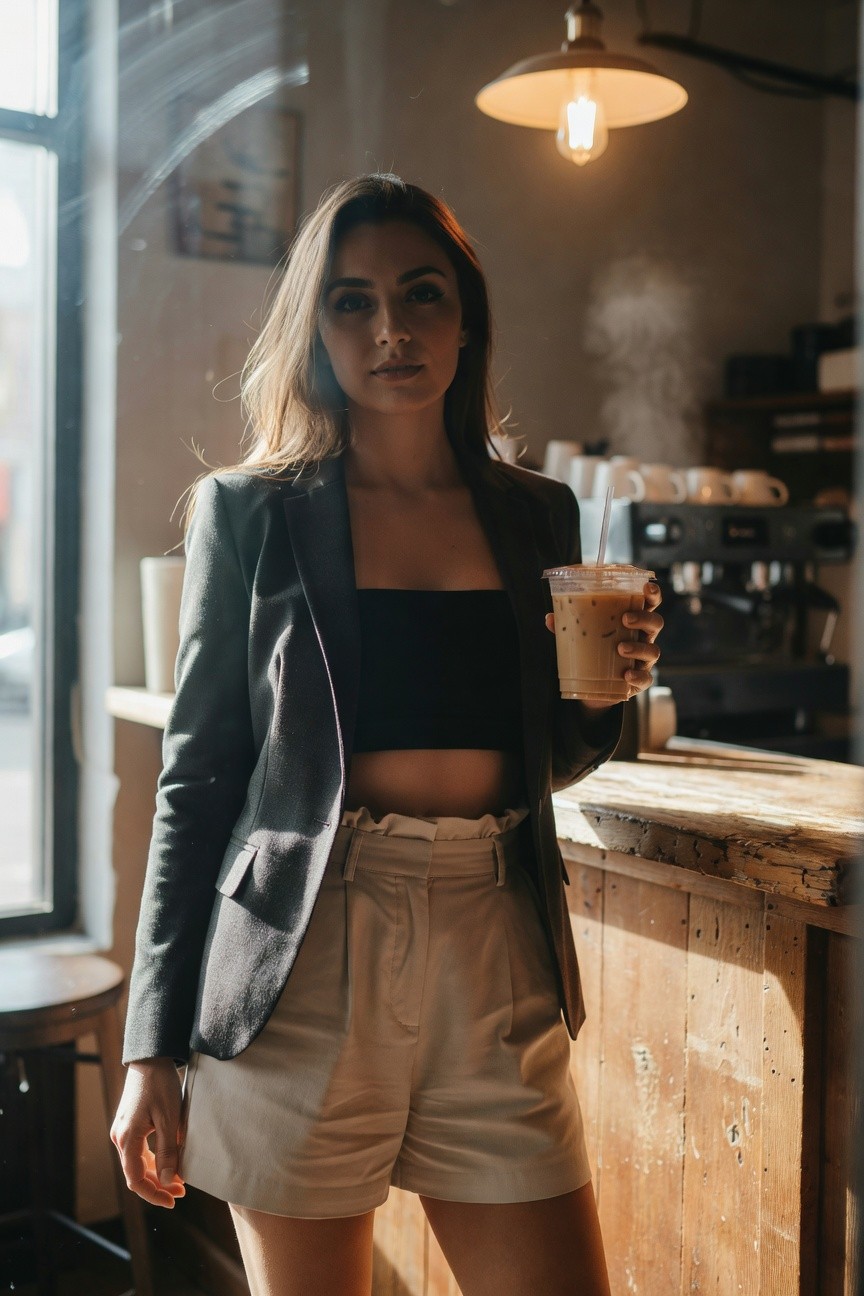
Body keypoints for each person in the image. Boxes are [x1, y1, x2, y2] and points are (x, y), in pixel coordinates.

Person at [111, 173, 663, 1296]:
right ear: (316, 330)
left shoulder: (536, 514)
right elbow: (198, 783)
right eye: (353, 302)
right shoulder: (249, 512)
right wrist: (146, 1045)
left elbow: (547, 753)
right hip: (296, 958)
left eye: (422, 295)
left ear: (468, 322)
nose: (392, 329)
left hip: (494, 941)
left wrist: (611, 700)